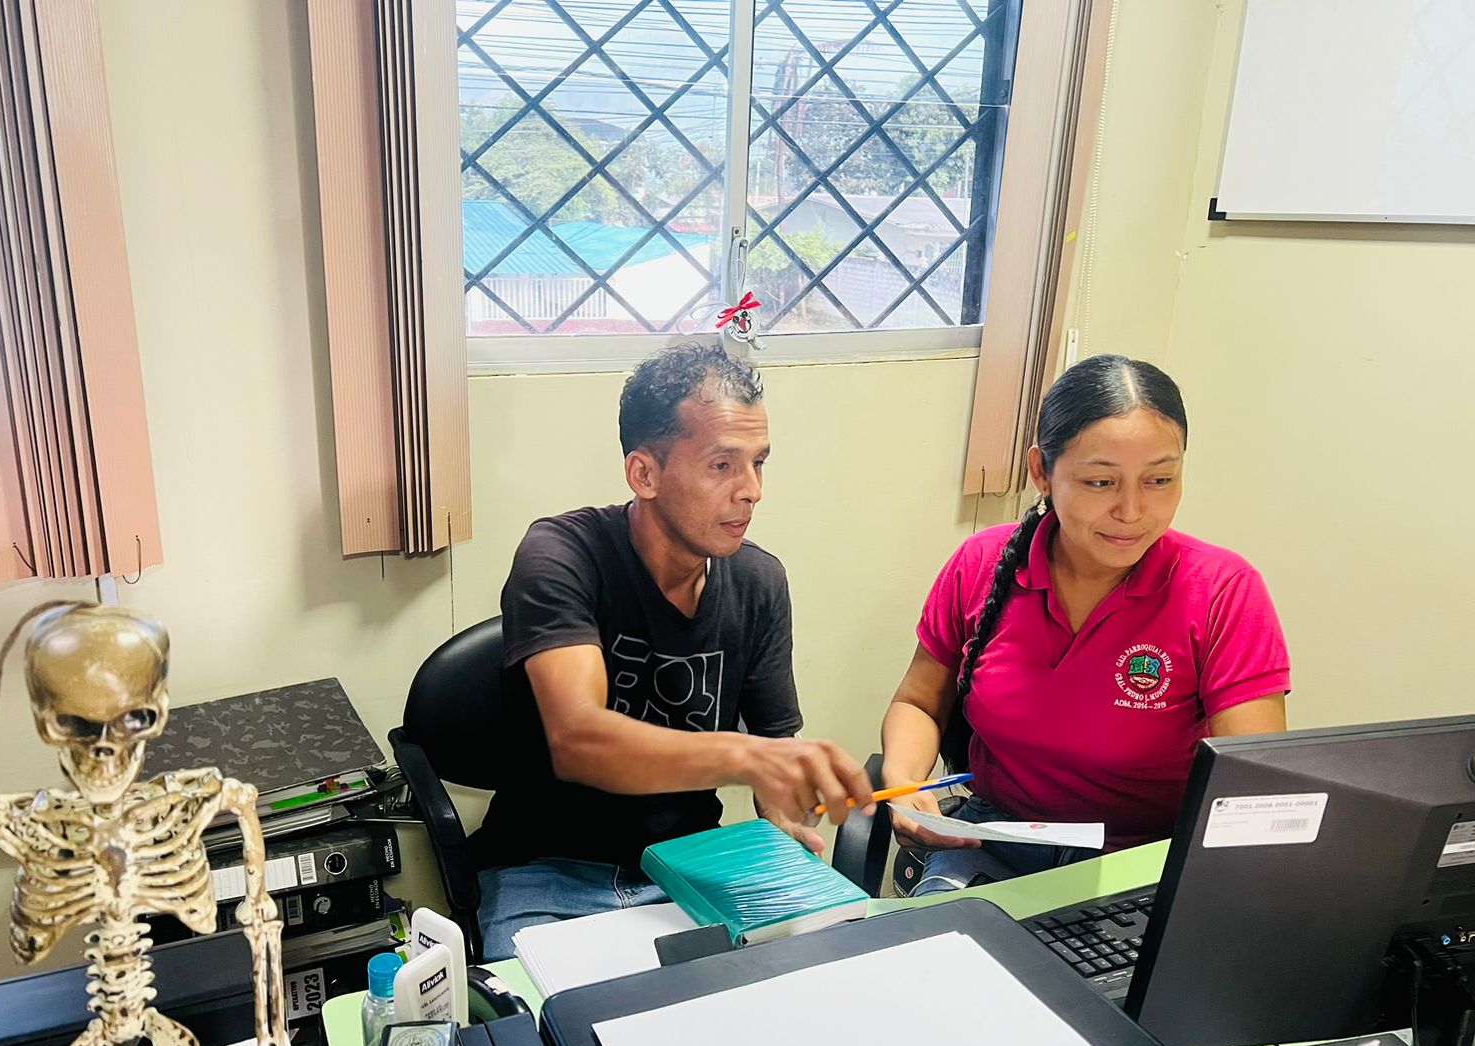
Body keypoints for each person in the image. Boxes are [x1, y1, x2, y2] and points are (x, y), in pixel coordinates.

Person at [470, 342, 872, 960]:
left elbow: (776, 747)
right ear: (644, 475)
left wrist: (784, 819)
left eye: (759, 464)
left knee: (812, 978)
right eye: (722, 465)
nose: (752, 491)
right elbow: (579, 740)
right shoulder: (562, 554)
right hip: (547, 870)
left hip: (693, 865)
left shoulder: (760, 582)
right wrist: (748, 757)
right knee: (561, 1017)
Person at [881, 354, 1289, 895]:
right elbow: (918, 702)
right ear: (1041, 472)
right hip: (993, 843)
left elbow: (1254, 789)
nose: (1132, 510)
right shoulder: (981, 563)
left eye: (1160, 479)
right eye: (1100, 481)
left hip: (1144, 865)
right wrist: (903, 783)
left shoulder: (1222, 591)